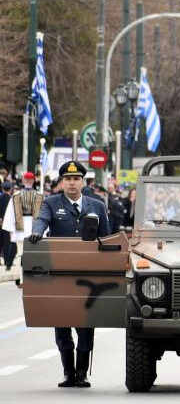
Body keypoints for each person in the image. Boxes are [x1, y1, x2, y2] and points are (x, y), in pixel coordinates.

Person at [28, 161, 112, 388]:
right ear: (62, 182)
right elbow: (42, 221)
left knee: (86, 325)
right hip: (61, 273)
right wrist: (37, 233)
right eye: (68, 179)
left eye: (76, 179)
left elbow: (106, 238)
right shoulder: (51, 203)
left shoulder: (97, 206)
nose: (72, 183)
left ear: (83, 182)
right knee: (61, 322)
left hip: (88, 274)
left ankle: (82, 372)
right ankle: (68, 372)